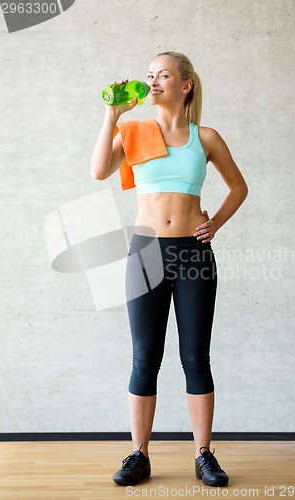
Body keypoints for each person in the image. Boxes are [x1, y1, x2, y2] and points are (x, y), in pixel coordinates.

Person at [91, 51, 248, 488]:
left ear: (185, 85)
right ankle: (138, 454)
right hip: (146, 253)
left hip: (193, 255)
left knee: (196, 357)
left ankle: (204, 455)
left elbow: (239, 186)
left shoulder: (206, 137)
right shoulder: (134, 129)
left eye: (163, 75)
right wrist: (111, 115)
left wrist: (214, 222)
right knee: (145, 358)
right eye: (149, 75)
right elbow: (99, 170)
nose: (153, 81)